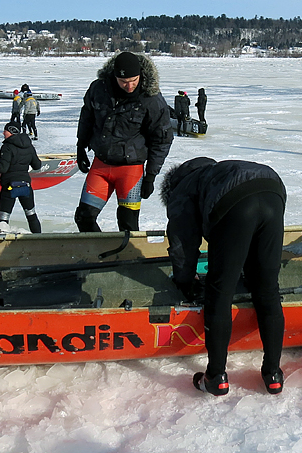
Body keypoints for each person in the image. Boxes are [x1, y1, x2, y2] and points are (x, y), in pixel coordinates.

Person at [161, 157, 287, 397]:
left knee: (219, 291)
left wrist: (185, 281)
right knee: (267, 288)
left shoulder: (182, 190)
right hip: (273, 189)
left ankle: (216, 376)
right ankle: (273, 374)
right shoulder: (215, 173)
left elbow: (182, 244)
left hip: (237, 202)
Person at [75, 51, 173, 232]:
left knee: (127, 224)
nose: (129, 86)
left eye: (134, 80)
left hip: (131, 171)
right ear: (114, 77)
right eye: (124, 82)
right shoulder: (99, 89)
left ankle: (128, 257)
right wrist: (81, 146)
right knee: (83, 217)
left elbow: (162, 140)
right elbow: (87, 117)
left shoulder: (151, 99)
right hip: (101, 165)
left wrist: (150, 176)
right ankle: (99, 256)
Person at [0, 121, 42, 232]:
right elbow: (37, 165)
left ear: (12, 131)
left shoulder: (7, 147)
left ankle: (0, 243)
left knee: (3, 219)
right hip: (26, 186)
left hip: (10, 186)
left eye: (6, 130)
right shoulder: (29, 146)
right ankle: (40, 240)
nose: (3, 133)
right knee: (31, 215)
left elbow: (3, 168)